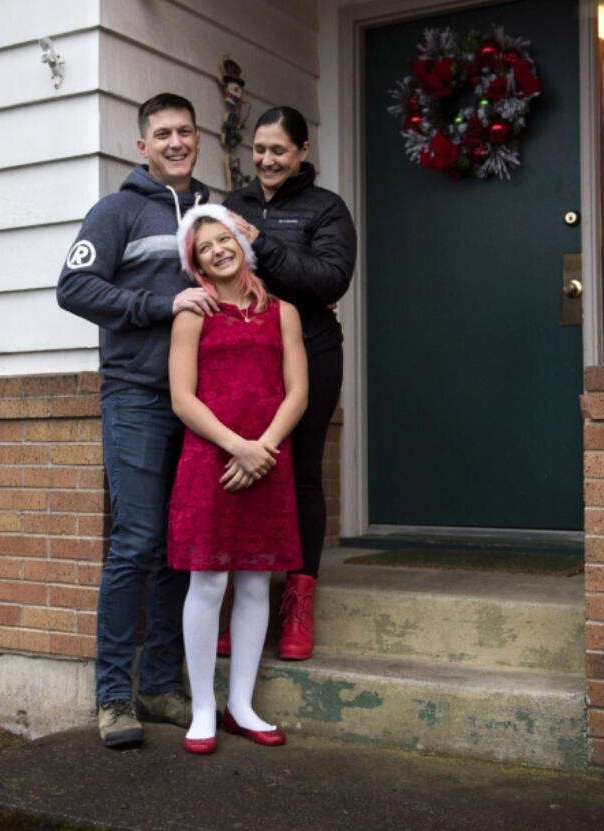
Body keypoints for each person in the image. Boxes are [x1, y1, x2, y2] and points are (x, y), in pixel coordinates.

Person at [57, 93, 221, 749]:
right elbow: (74, 289)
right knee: (136, 541)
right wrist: (160, 302)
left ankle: (158, 684)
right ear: (142, 146)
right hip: (138, 397)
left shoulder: (213, 214)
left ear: (198, 138)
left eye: (185, 131)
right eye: (163, 134)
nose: (176, 142)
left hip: (202, 402)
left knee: (181, 546)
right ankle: (113, 698)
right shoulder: (117, 210)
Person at [167, 203, 308, 754]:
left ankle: (240, 704)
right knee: (208, 582)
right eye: (204, 248)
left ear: (242, 243)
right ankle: (203, 706)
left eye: (223, 240)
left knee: (254, 582)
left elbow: (297, 389)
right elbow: (182, 397)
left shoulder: (284, 312)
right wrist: (237, 448)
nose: (218, 251)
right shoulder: (192, 314)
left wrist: (264, 448)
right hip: (212, 460)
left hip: (270, 459)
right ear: (195, 263)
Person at [223, 106, 357, 660]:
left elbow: (331, 280)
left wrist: (265, 245)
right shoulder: (233, 204)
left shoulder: (327, 209)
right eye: (259, 149)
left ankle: (299, 600)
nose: (267, 160)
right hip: (246, 355)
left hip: (314, 352)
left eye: (279, 150)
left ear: (302, 151)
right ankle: (242, 600)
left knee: (300, 473)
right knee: (244, 471)